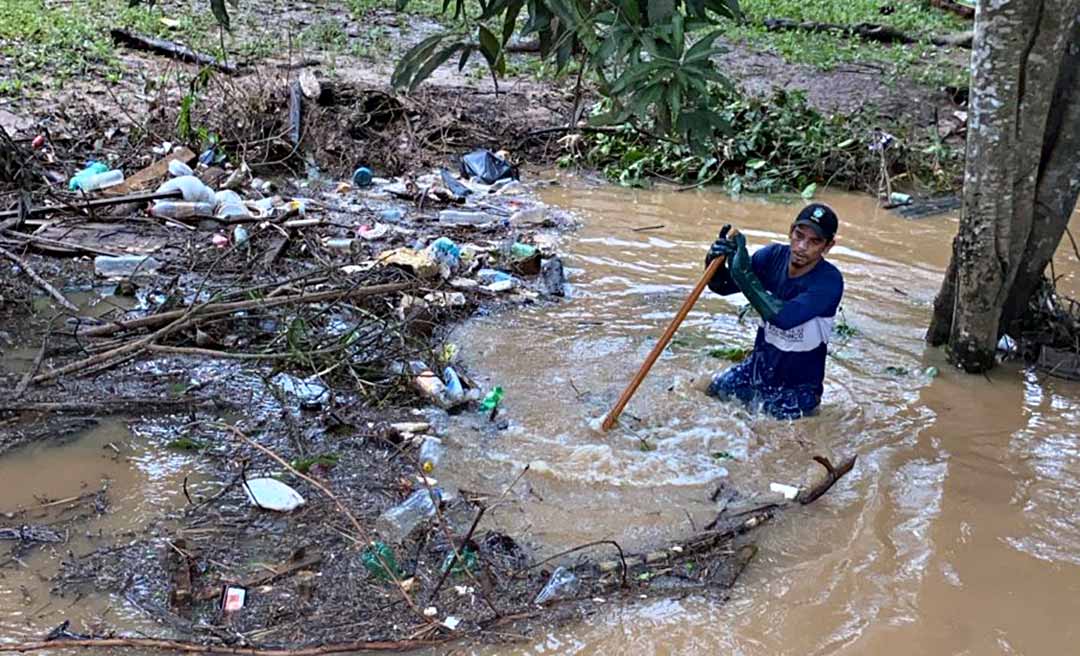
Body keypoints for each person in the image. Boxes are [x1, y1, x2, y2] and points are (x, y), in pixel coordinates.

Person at [704, 203, 844, 419]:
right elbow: (722, 287)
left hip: (798, 389)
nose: (801, 247)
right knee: (706, 396)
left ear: (827, 246)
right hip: (756, 370)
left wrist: (743, 274)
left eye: (814, 241)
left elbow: (784, 318)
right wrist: (714, 260)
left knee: (771, 440)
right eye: (799, 235)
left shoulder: (829, 282)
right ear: (790, 231)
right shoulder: (772, 257)